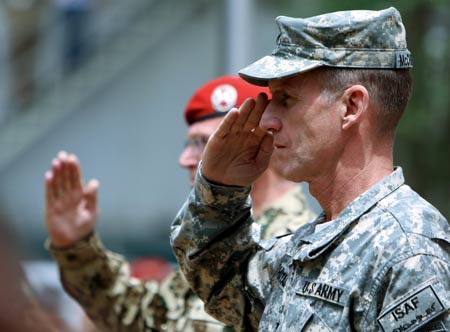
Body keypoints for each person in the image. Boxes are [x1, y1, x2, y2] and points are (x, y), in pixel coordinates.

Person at [170, 7, 450, 332]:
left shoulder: (407, 254)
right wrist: (219, 188)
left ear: (351, 107)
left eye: (286, 99)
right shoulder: (311, 242)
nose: (267, 120)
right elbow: (220, 279)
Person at [44, 75, 316, 331]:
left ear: (257, 143)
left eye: (202, 143)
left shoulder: (296, 246)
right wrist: (76, 245)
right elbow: (144, 318)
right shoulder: (213, 238)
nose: (185, 159)